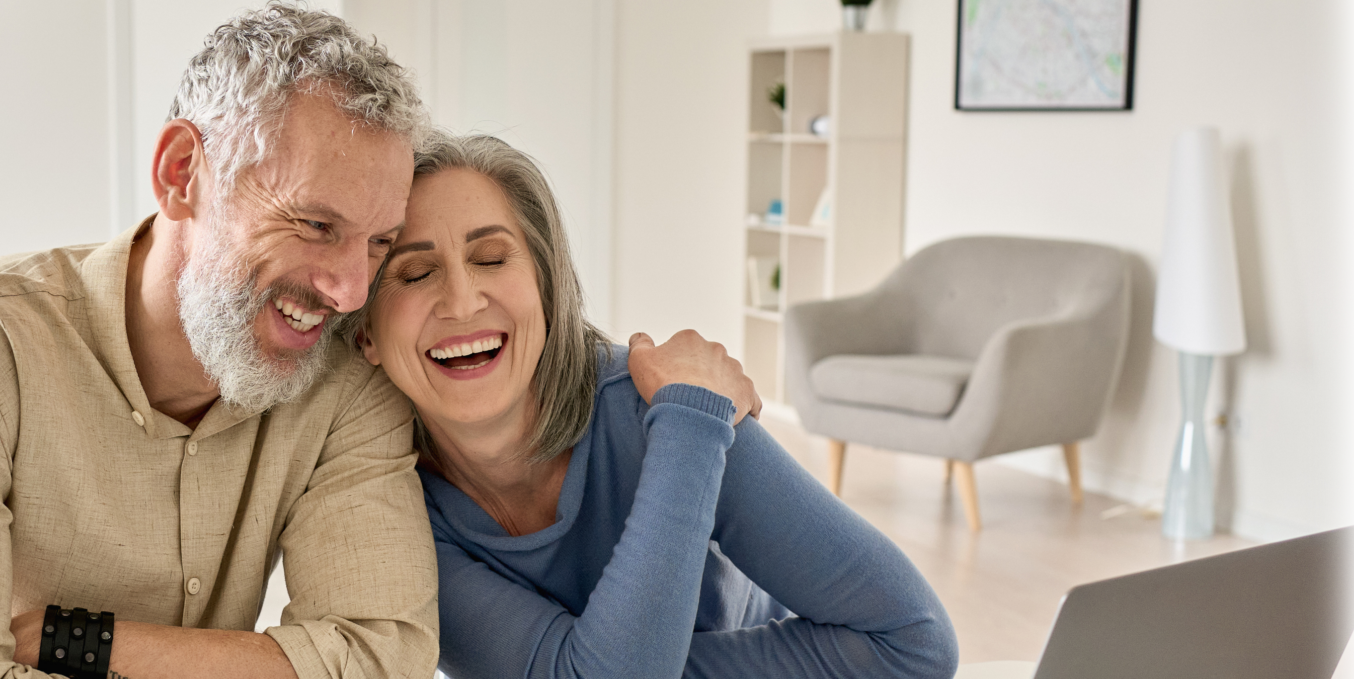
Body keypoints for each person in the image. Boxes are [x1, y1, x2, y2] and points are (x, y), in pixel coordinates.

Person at [0, 3, 441, 679]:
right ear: (182, 172)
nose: (350, 291)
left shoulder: (347, 387)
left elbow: (380, 656)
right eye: (314, 224)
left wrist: (78, 640)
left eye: (380, 242)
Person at [345, 134, 959, 679]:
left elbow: (915, 640)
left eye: (491, 258)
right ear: (366, 333)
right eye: (416, 273)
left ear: (548, 289)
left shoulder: (674, 410)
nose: (462, 299)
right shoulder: (389, 510)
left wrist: (690, 428)